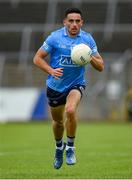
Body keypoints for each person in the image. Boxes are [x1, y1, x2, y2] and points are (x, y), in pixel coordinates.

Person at [33, 7, 104, 169]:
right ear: (65, 22)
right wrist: (51, 70)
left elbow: (100, 66)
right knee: (58, 122)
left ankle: (70, 148)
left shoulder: (87, 40)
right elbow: (37, 58)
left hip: (76, 84)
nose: (74, 24)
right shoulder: (55, 38)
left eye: (77, 21)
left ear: (82, 23)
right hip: (55, 86)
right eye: (70, 21)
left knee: (71, 111)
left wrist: (89, 56)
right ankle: (59, 148)